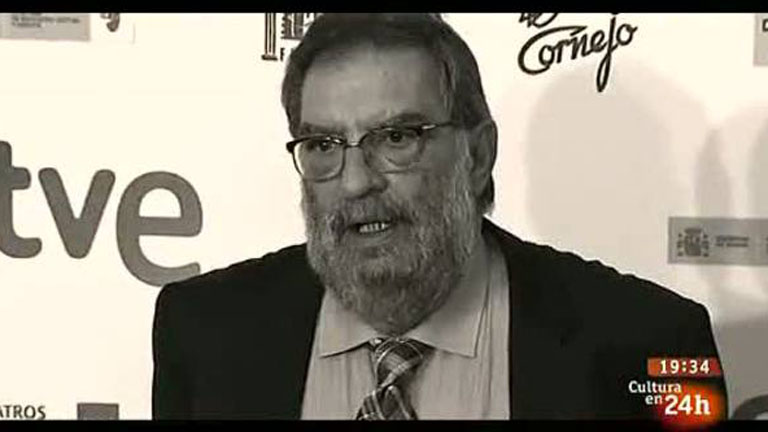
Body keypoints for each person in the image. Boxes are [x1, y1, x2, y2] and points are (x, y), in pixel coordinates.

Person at [152, 13, 728, 420]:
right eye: (324, 145)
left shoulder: (647, 345)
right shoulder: (204, 333)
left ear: (477, 156)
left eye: (396, 138)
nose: (355, 181)